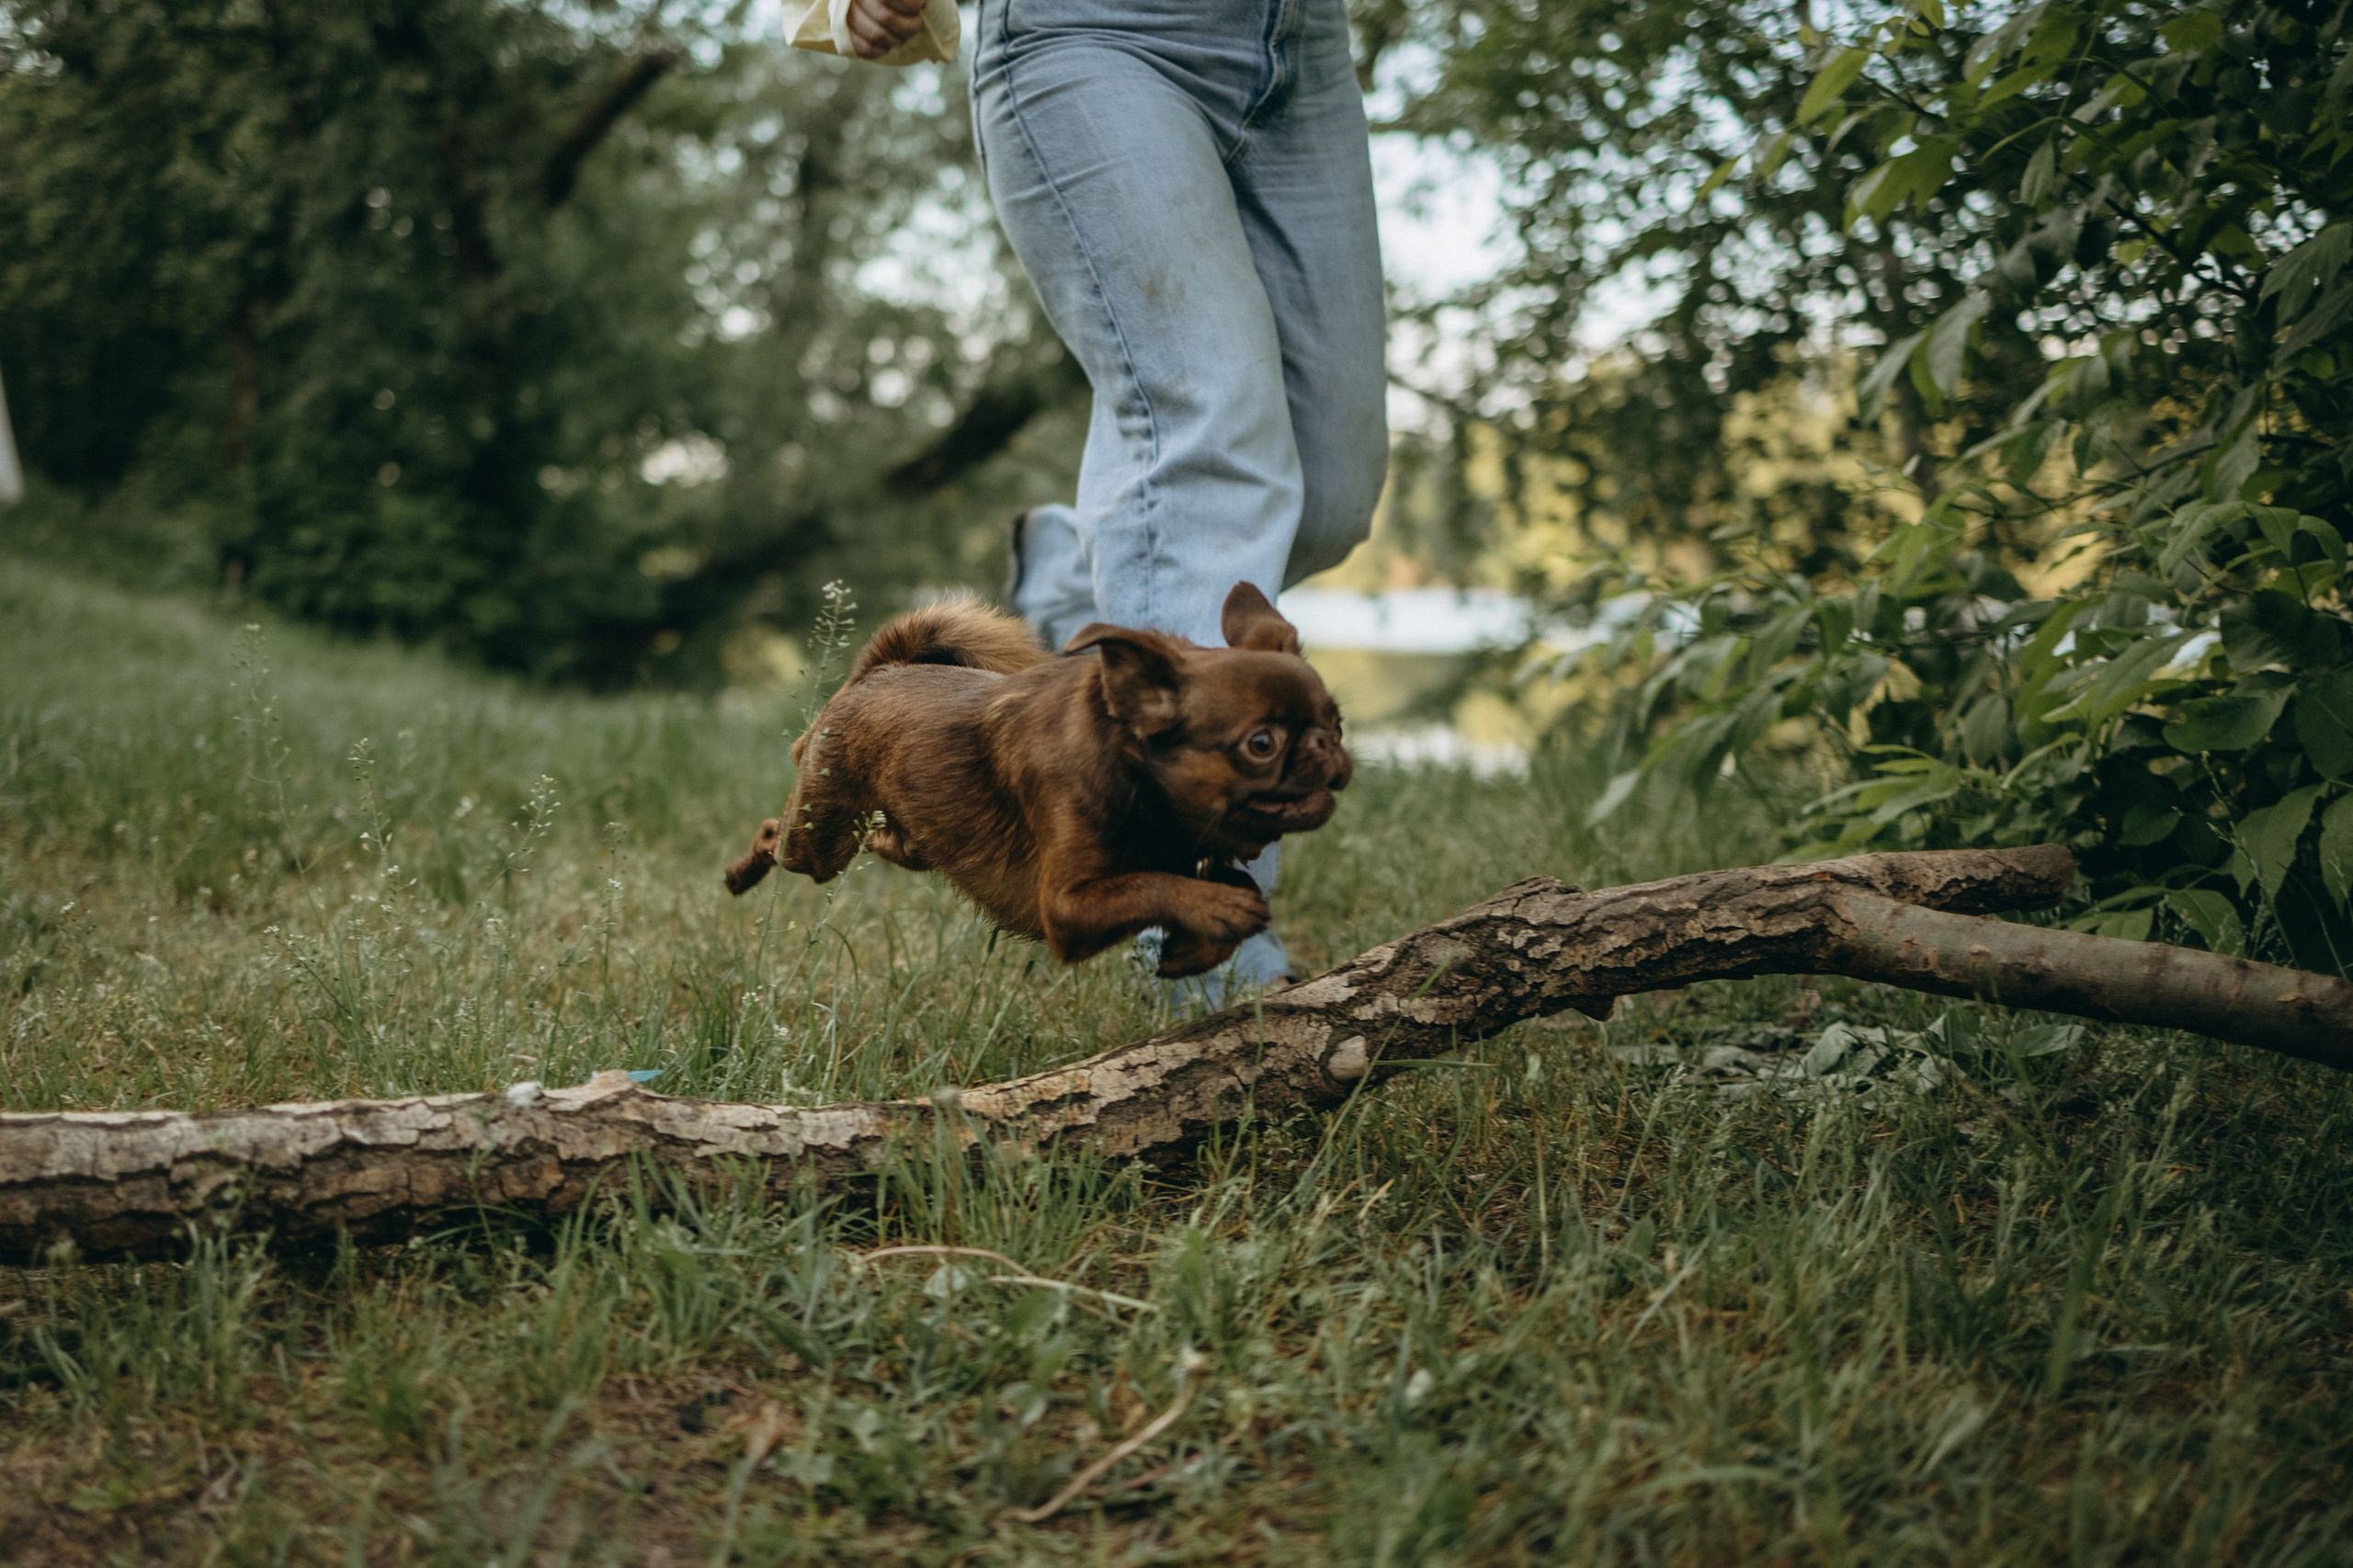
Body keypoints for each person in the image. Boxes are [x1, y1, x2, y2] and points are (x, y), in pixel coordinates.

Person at [847, 0, 1390, 994]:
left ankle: (1088, 611)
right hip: (1094, 30)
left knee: (1332, 486)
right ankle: (1197, 950)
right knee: (1212, 431)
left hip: (1298, 42)